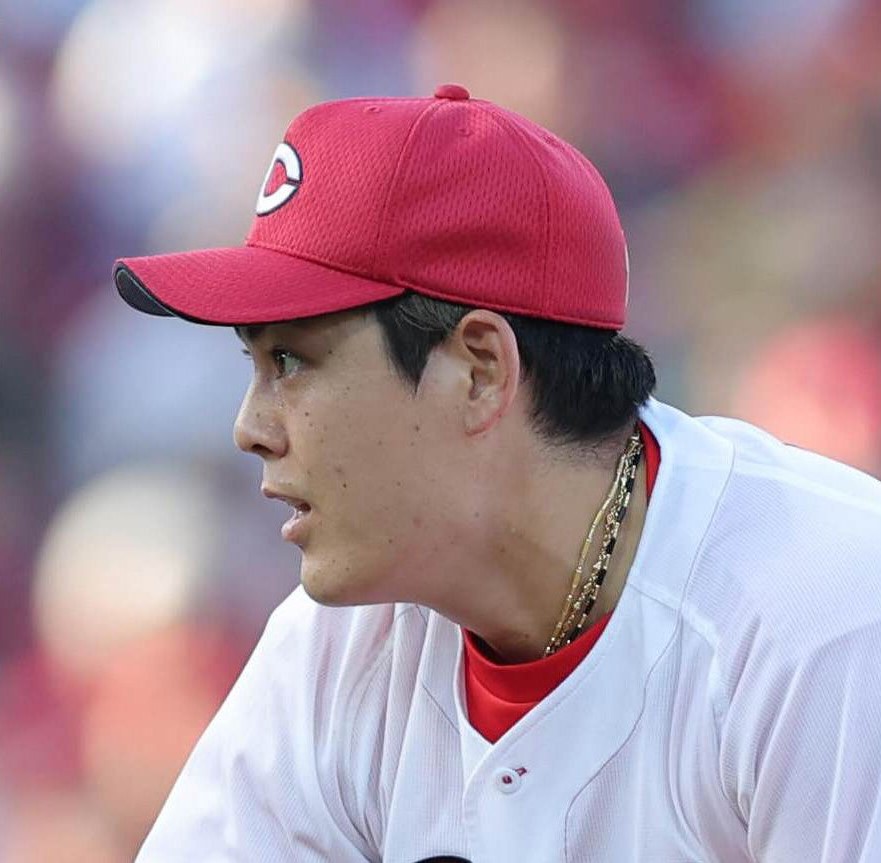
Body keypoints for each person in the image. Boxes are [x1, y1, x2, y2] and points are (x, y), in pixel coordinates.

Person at [113, 84, 881, 862]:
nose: (249, 428)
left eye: (290, 360)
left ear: (479, 370)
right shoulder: (336, 650)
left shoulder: (825, 620)